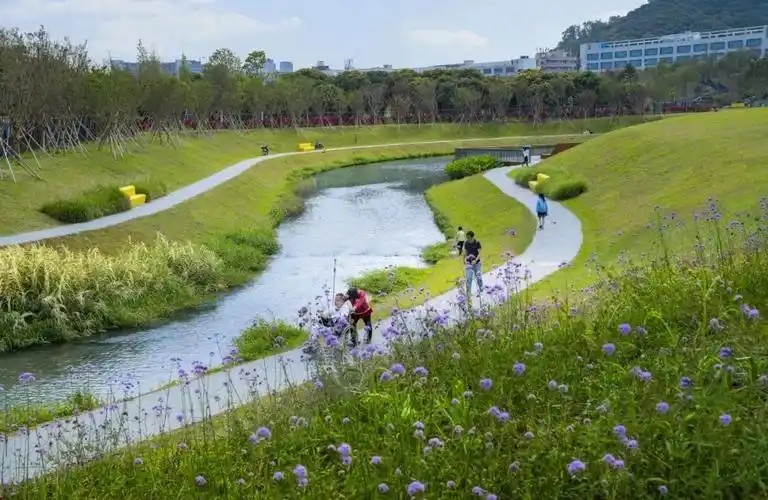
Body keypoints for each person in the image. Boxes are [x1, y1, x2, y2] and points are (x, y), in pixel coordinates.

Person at [463, 231, 483, 296]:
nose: (467, 238)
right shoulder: (466, 243)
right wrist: (464, 259)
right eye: (466, 237)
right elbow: (465, 252)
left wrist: (476, 260)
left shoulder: (477, 242)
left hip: (477, 263)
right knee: (468, 278)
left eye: (468, 237)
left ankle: (481, 289)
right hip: (469, 263)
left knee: (478, 277)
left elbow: (479, 253)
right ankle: (468, 293)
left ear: (472, 237)